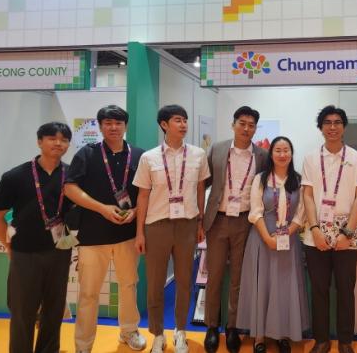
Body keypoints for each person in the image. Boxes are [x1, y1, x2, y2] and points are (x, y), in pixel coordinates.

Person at [64, 105, 146, 353]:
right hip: (93, 236)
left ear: (125, 126)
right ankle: (83, 344)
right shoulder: (86, 154)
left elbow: (146, 193)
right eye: (108, 123)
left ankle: (129, 331)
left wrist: (135, 212)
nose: (113, 127)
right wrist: (102, 208)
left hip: (127, 235)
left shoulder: (139, 155)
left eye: (118, 123)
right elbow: (70, 188)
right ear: (100, 126)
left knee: (128, 286)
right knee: (88, 293)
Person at [0, 122, 73, 353]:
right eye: (52, 138)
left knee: (54, 310)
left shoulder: (71, 176)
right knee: (22, 311)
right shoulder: (15, 176)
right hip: (25, 253)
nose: (58, 143)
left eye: (64, 139)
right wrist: (9, 246)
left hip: (60, 251)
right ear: (39, 142)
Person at [133, 105, 210, 353]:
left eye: (185, 120)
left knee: (185, 281)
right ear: (164, 125)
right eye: (178, 120)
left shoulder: (198, 155)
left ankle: (180, 331)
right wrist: (140, 232)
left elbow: (200, 190)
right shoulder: (149, 158)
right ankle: (157, 334)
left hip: (187, 225)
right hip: (156, 225)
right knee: (155, 283)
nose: (184, 124)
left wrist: (200, 223)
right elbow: (142, 196)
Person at [301, 105, 357, 353]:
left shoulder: (356, 158)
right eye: (327, 122)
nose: (332, 127)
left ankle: (346, 341)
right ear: (321, 128)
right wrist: (315, 229)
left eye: (337, 122)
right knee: (318, 290)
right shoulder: (310, 158)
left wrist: (347, 232)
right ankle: (321, 340)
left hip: (347, 232)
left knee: (345, 290)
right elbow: (308, 195)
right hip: (316, 233)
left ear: (344, 127)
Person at [203, 106, 268, 353]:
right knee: (215, 275)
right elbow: (204, 183)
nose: (246, 128)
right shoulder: (217, 149)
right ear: (233, 125)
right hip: (217, 220)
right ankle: (212, 327)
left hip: (245, 222)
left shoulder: (262, 156)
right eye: (242, 123)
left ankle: (232, 327)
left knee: (239, 278)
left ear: (255, 129)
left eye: (251, 125)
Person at [236, 136, 309, 353]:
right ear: (271, 154)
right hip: (261, 238)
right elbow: (255, 211)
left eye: (286, 150)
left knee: (285, 287)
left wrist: (286, 233)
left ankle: (283, 334)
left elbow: (301, 214)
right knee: (262, 285)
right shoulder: (260, 179)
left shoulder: (298, 180)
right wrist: (268, 239)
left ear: (292, 154)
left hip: (289, 241)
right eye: (278, 150)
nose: (282, 154)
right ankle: (259, 336)